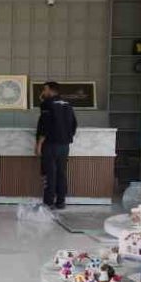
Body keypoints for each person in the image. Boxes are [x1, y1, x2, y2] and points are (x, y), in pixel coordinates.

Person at [35, 81, 77, 209]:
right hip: (64, 145)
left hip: (50, 144)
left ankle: (49, 203)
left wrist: (39, 144)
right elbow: (74, 124)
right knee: (61, 173)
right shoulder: (67, 104)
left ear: (51, 90)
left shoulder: (47, 104)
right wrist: (66, 136)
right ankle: (61, 201)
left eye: (45, 89)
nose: (43, 92)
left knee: (50, 174)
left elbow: (45, 125)